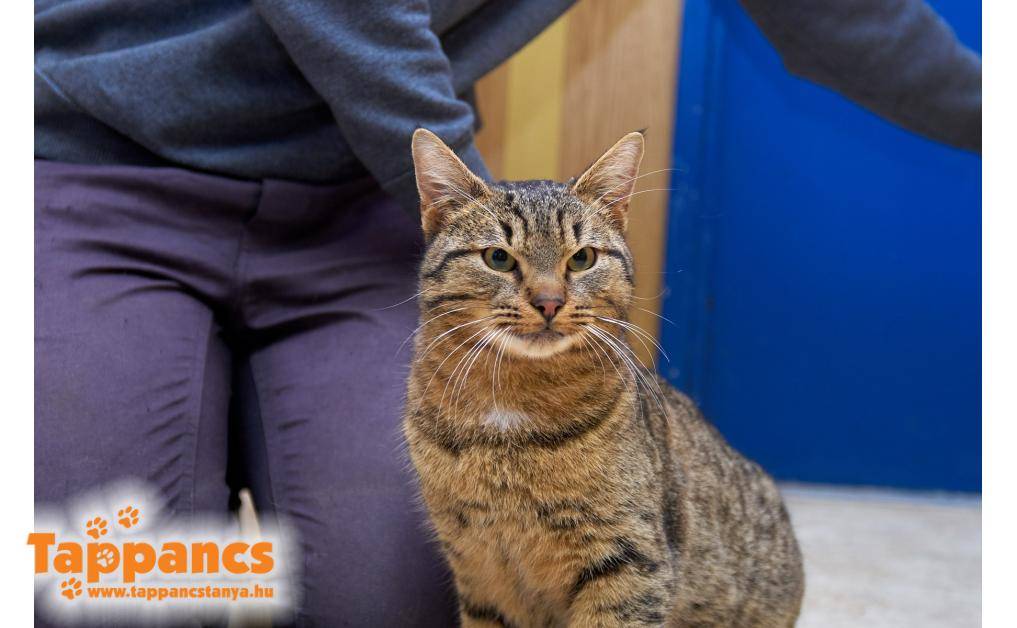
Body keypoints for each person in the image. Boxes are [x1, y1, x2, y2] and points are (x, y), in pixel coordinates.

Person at [34, 0, 979, 625]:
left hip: (366, 195)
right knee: (94, 588)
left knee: (398, 604)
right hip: (103, 166)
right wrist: (481, 219)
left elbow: (845, 17)